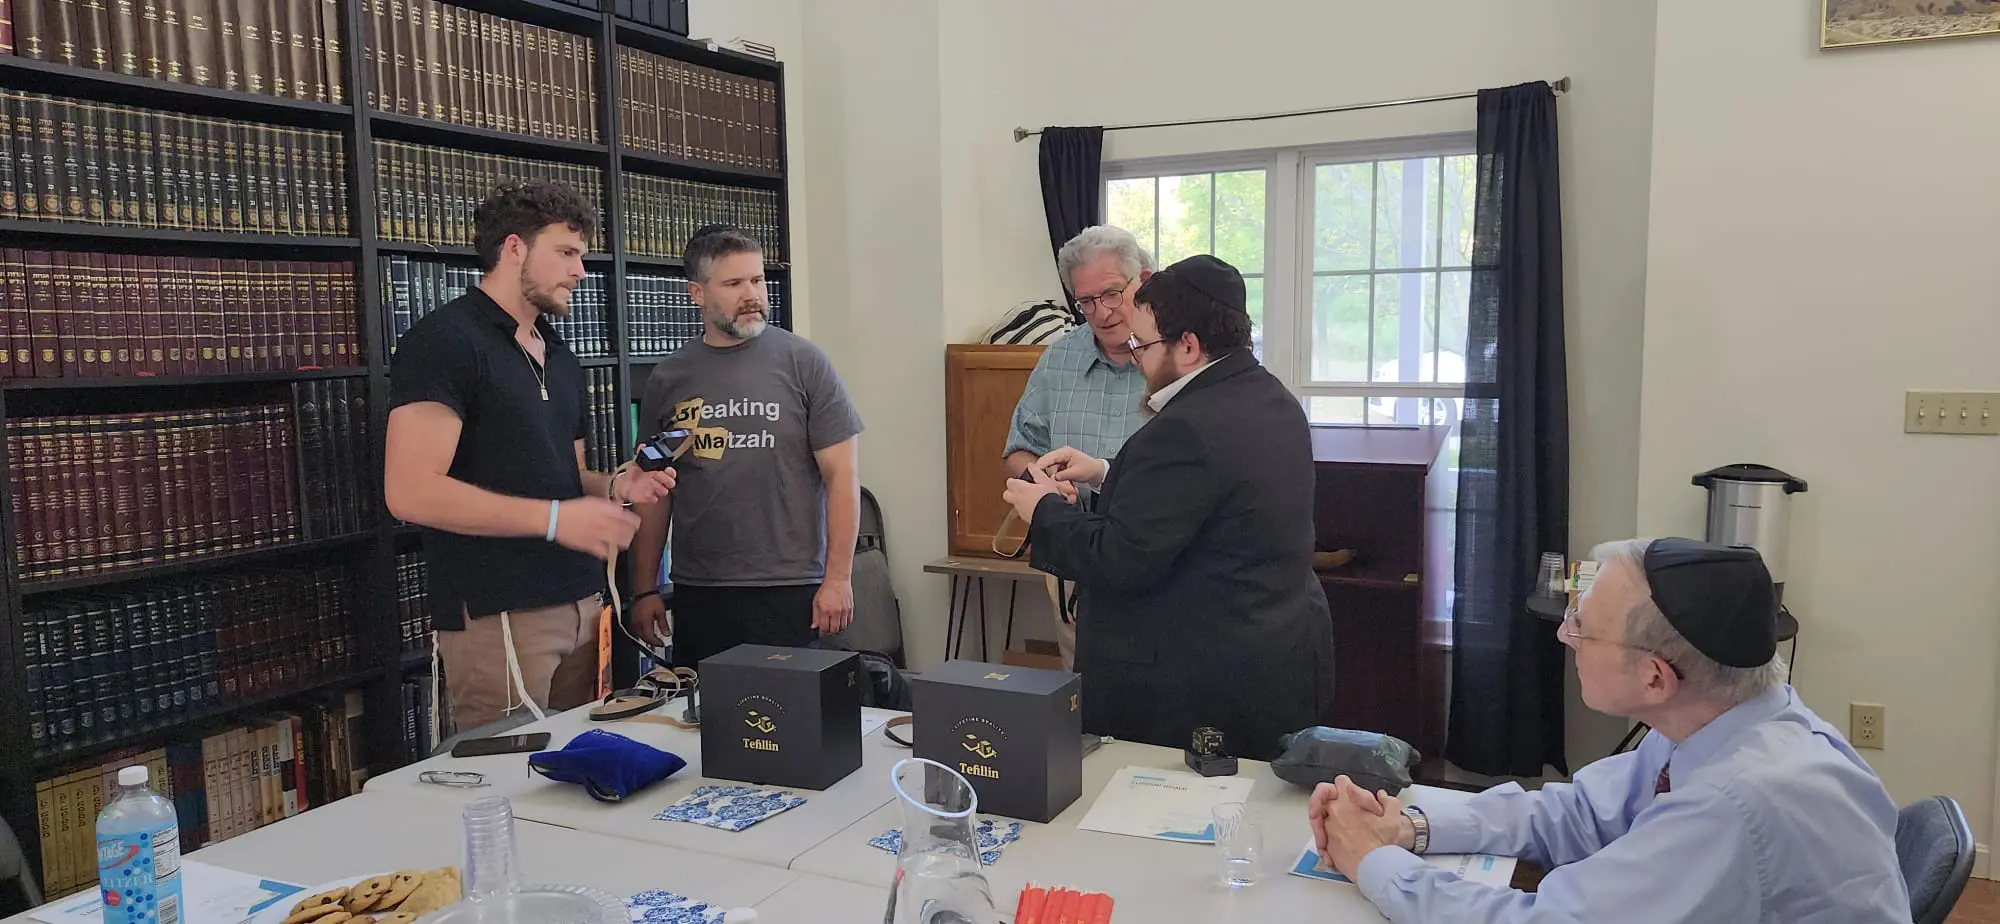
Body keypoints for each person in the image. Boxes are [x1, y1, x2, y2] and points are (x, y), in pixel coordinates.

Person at [1309, 537, 1910, 923]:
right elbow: (1580, 813)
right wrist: (1411, 827)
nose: (1564, 635)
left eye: (1584, 628)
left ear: (1655, 677)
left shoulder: (1734, 802)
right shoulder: (1724, 717)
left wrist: (1373, 861)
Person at [1001, 254, 1335, 761]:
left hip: (1197, 678)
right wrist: (1105, 472)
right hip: (1273, 653)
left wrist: (1045, 508)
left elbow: (1121, 558)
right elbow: (1200, 503)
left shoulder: (1186, 427)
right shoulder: (1272, 399)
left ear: (1189, 346)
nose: (1135, 357)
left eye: (1141, 344)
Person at [384, 180, 675, 731]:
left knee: (578, 765)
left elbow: (565, 476)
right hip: (499, 613)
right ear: (514, 248)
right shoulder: (444, 341)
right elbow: (410, 491)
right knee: (511, 772)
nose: (580, 271)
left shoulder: (559, 353)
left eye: (581, 255)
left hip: (584, 605)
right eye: (565, 253)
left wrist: (617, 486)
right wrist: (558, 519)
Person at [628, 224, 864, 668]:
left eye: (757, 280)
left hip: (791, 587)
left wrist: (838, 579)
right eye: (734, 283)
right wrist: (644, 589)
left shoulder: (804, 363)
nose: (752, 294)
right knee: (703, 708)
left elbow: (843, 477)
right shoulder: (669, 377)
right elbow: (654, 492)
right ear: (697, 293)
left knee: (788, 708)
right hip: (700, 589)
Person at [1001, 225, 1156, 668]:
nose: (1101, 313)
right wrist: (1043, 482)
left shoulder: (1172, 361)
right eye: (1085, 301)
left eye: (1111, 294)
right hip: (1072, 559)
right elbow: (1019, 449)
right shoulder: (1059, 358)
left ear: (1143, 281)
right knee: (1082, 685)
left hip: (1152, 558)